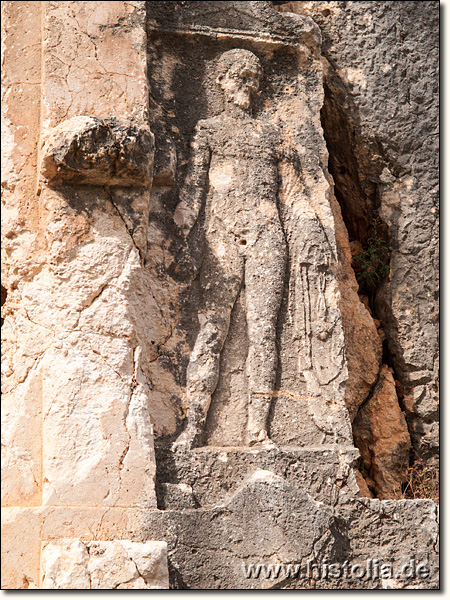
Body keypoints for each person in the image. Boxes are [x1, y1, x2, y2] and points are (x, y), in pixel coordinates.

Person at [173, 49, 287, 449]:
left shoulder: (271, 134)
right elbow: (194, 189)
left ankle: (258, 429)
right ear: (220, 82)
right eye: (238, 76)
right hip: (220, 233)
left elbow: (291, 196)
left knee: (264, 332)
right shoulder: (208, 130)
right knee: (212, 330)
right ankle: (195, 427)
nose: (247, 84)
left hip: (268, 235)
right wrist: (180, 236)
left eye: (254, 77)